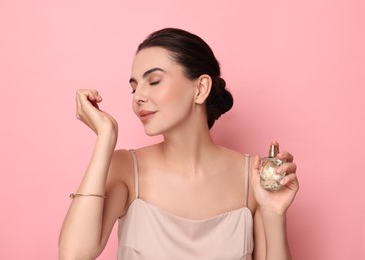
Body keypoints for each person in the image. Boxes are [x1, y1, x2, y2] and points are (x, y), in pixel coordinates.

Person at [58, 28, 299, 260]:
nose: (138, 97)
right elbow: (74, 255)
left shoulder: (252, 177)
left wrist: (274, 213)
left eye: (153, 81)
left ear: (201, 88)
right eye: (134, 88)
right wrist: (105, 136)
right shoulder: (125, 169)